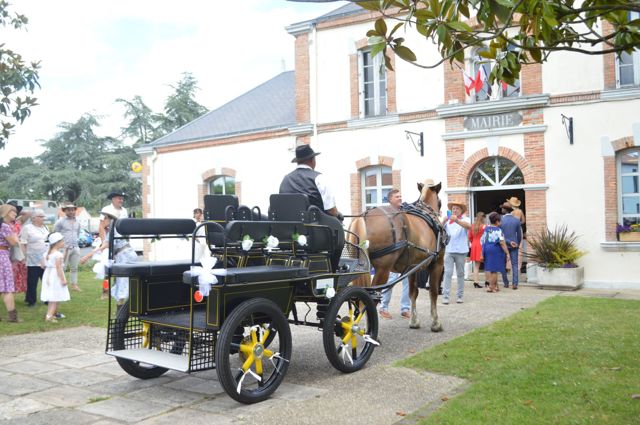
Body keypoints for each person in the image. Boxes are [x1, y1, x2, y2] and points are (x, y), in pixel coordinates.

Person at [81, 205, 137, 303]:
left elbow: (105, 245)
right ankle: (122, 307)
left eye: (105, 217)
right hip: (124, 255)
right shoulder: (113, 229)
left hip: (125, 256)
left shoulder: (114, 229)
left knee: (123, 282)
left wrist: (87, 256)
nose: (102, 220)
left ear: (110, 219)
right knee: (123, 282)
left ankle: (122, 310)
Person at [279, 144, 344, 220]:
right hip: (316, 228)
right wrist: (338, 214)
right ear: (312, 160)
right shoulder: (319, 178)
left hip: (290, 227)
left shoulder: (285, 179)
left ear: (298, 162)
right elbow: (331, 210)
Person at [378, 189, 410, 320]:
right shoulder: (386, 212)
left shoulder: (404, 210)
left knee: (408, 279)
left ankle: (405, 309)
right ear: (390, 199)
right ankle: (383, 307)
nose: (400, 198)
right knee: (390, 280)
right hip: (392, 252)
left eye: (401, 196)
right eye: (397, 196)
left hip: (405, 252)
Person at [441, 201, 472, 304]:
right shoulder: (448, 220)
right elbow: (439, 229)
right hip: (449, 250)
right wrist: (443, 221)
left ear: (461, 211)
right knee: (447, 273)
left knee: (460, 274)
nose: (454, 210)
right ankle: (445, 296)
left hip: (461, 250)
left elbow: (468, 227)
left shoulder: (466, 219)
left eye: (457, 209)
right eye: (453, 208)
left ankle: (460, 296)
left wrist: (457, 221)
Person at [19, 208, 49, 307]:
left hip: (45, 258)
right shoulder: (27, 228)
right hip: (32, 258)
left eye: (43, 216)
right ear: (34, 218)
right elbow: (22, 243)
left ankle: (47, 298)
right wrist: (24, 257)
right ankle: (31, 300)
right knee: (32, 281)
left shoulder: (45, 227)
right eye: (41, 216)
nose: (43, 218)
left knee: (46, 279)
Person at [41, 232, 70, 323]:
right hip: (55, 276)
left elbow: (42, 265)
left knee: (51, 296)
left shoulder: (46, 253)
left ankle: (51, 314)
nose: (63, 242)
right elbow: (59, 268)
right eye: (62, 241)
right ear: (57, 243)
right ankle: (49, 317)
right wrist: (63, 279)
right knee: (55, 297)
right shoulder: (58, 254)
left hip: (47, 274)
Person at [54, 202, 82, 291]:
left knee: (74, 268)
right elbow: (55, 233)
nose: (71, 212)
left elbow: (77, 233)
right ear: (65, 211)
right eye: (69, 210)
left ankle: (74, 285)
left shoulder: (78, 221)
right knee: (62, 267)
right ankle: (59, 284)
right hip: (64, 248)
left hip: (75, 247)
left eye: (73, 210)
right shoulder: (60, 221)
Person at [0, 204, 21, 322]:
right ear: (7, 213)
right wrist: (15, 234)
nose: (15, 214)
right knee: (7, 287)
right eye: (13, 212)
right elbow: (13, 242)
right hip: (2, 256)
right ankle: (13, 317)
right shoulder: (5, 226)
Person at [481, 212, 511, 293]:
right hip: (495, 249)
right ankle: (491, 287)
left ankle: (496, 286)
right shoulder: (498, 230)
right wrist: (507, 252)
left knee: (490, 269)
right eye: (500, 221)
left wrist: (482, 252)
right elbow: (502, 242)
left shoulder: (486, 229)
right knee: (494, 270)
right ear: (497, 221)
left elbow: (482, 240)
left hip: (486, 248)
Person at [499, 202, 523, 289]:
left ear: (505, 210)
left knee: (502, 264)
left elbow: (500, 234)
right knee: (515, 264)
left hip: (503, 245)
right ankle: (515, 284)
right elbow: (519, 235)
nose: (501, 210)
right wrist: (517, 242)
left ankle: (506, 283)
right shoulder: (516, 220)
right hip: (514, 245)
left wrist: (508, 242)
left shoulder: (500, 220)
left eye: (502, 208)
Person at [6, 202, 27, 294]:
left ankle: (12, 289)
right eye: (12, 210)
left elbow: (27, 213)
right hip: (6, 249)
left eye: (15, 211)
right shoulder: (4, 223)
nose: (14, 213)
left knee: (15, 270)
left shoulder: (17, 223)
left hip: (16, 250)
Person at [507, 196, 526, 275]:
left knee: (510, 247)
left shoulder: (511, 213)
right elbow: (523, 221)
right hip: (519, 229)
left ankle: (509, 267)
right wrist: (519, 223)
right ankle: (518, 267)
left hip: (512, 229)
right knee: (520, 247)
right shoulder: (520, 211)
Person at [468, 211, 486, 288]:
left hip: (474, 245)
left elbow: (469, 237)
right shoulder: (484, 226)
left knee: (476, 265)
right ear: (483, 218)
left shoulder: (472, 226)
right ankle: (487, 281)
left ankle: (476, 282)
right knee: (486, 264)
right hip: (482, 245)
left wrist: (473, 242)